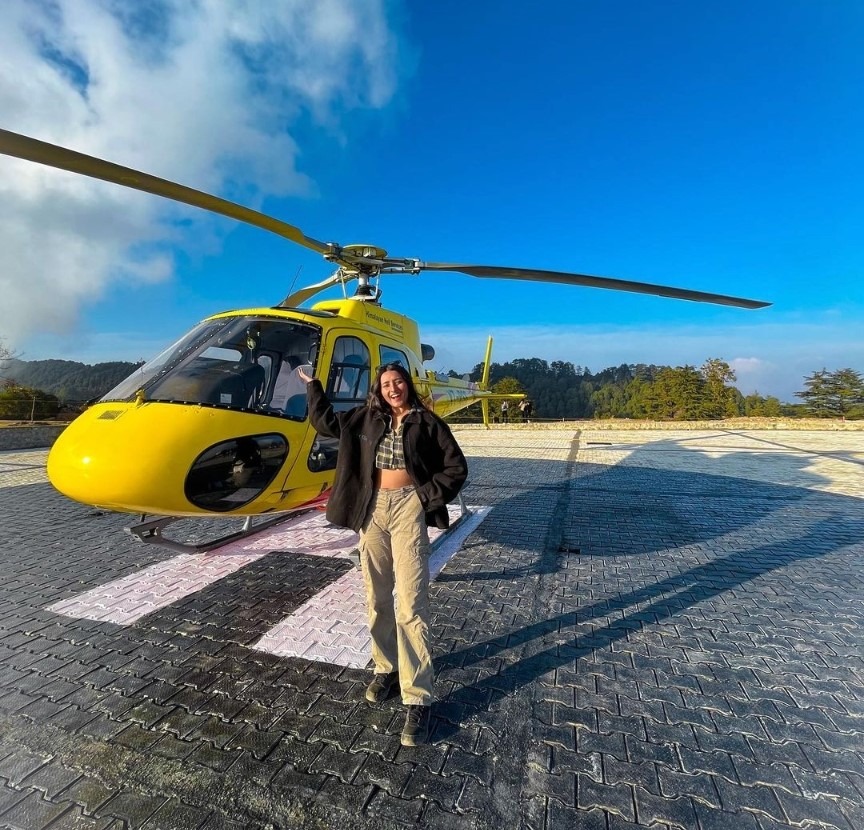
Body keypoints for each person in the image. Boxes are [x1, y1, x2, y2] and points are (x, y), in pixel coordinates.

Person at [298, 362, 467, 746]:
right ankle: (386, 667)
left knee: (410, 604)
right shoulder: (365, 417)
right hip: (372, 510)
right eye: (387, 384)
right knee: (376, 598)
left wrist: (425, 496)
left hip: (409, 506)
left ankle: (418, 696)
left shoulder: (427, 423)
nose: (393, 388)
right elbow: (325, 423)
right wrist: (313, 385)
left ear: (408, 385)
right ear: (379, 388)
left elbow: (456, 467)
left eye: (399, 382)